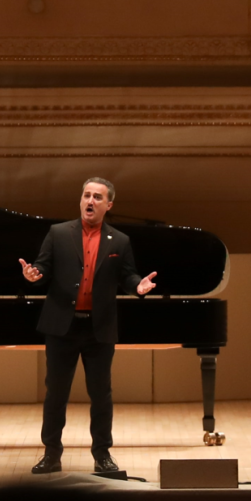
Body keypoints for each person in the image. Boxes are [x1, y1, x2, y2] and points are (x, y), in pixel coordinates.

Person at [20, 177, 156, 475]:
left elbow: (128, 275)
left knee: (101, 394)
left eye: (97, 197)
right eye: (86, 195)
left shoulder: (119, 240)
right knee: (56, 393)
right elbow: (43, 267)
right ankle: (51, 454)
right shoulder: (58, 233)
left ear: (109, 205)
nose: (90, 201)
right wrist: (34, 274)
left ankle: (102, 455)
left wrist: (138, 286)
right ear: (81, 200)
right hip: (62, 326)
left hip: (99, 327)